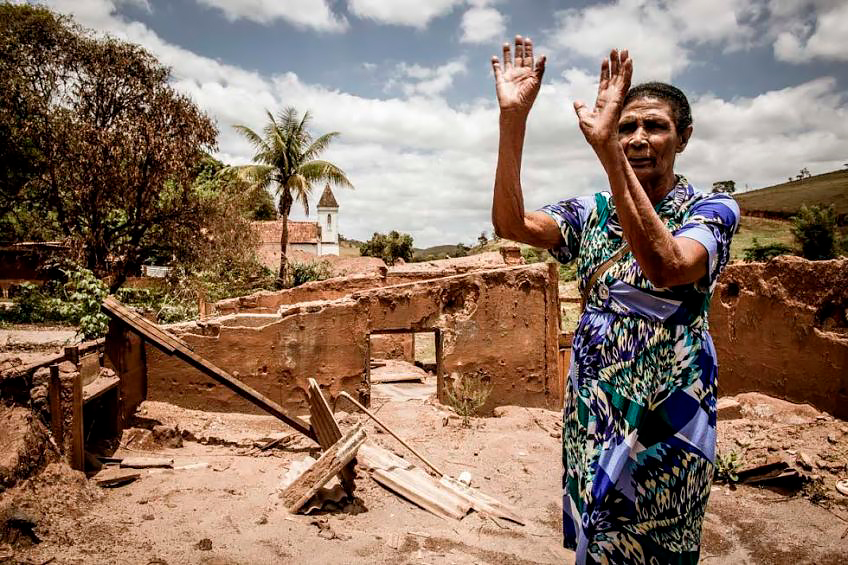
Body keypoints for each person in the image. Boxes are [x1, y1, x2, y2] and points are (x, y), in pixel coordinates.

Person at [491, 36, 739, 564]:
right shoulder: (591, 211)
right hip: (596, 402)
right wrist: (513, 121)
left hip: (669, 406)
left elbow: (668, 266)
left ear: (685, 136)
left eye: (655, 126)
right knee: (600, 537)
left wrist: (606, 152)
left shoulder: (714, 209)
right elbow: (511, 223)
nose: (638, 137)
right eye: (626, 127)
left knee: (661, 536)